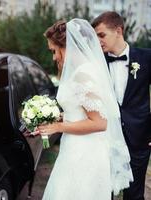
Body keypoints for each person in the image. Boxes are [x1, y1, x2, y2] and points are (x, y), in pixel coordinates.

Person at [32, 19, 133, 200]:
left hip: (86, 153)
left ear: (66, 46)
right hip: (74, 146)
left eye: (54, 51)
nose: (54, 57)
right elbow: (78, 111)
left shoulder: (83, 74)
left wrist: (58, 127)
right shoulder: (78, 71)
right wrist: (55, 118)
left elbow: (100, 123)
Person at [92, 11, 151, 200]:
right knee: (102, 193)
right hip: (105, 139)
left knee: (134, 195)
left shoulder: (146, 58)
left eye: (101, 35)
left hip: (139, 138)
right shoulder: (96, 63)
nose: (98, 41)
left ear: (118, 30)